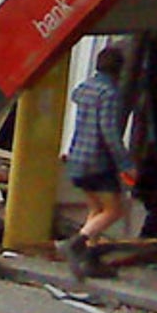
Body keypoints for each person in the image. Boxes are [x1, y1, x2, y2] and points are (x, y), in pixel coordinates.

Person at [60, 46, 136, 280]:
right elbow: (110, 132)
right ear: (119, 69)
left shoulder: (84, 89)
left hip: (77, 158)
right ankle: (76, 243)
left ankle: (91, 260)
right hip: (97, 162)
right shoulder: (109, 93)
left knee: (96, 209)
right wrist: (125, 164)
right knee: (114, 210)